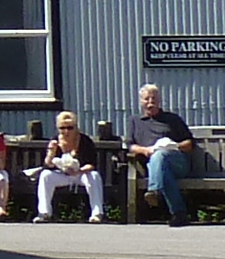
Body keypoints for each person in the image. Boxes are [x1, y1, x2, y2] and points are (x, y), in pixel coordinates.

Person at [128, 84, 207, 226]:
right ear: (141, 101)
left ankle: (154, 190)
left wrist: (174, 146)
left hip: (177, 162)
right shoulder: (135, 121)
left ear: (159, 101)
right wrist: (145, 150)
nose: (150, 102)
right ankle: (179, 214)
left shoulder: (172, 119)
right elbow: (129, 145)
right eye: (147, 99)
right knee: (162, 170)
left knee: (161, 155)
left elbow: (190, 144)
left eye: (154, 99)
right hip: (151, 163)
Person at [31, 112, 109, 224]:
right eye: (62, 128)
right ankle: (44, 213)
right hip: (61, 174)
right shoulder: (55, 141)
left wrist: (79, 171)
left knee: (94, 176)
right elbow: (48, 165)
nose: (66, 131)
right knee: (45, 176)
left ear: (76, 128)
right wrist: (51, 153)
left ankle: (97, 213)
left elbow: (91, 164)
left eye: (70, 128)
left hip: (81, 174)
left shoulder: (85, 141)